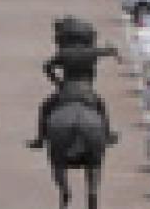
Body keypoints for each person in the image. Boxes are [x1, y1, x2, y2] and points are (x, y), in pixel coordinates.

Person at [27, 16, 119, 149]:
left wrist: (57, 82)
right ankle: (108, 135)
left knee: (45, 108)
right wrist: (112, 50)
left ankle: (40, 139)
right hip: (86, 90)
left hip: (66, 89)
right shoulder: (92, 52)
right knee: (101, 107)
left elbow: (47, 67)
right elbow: (108, 51)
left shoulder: (64, 53)